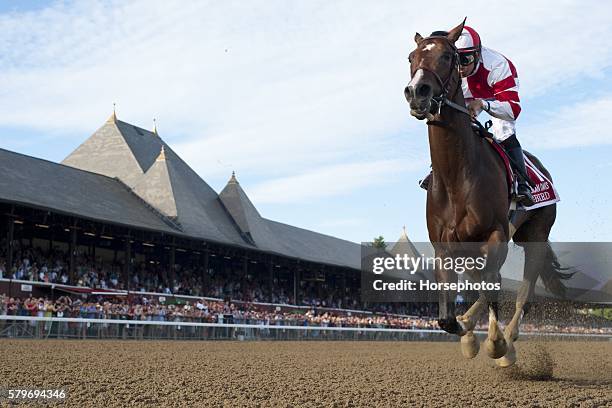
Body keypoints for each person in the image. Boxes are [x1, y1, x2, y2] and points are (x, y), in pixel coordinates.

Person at [420, 26, 535, 207]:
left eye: (467, 59)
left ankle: (522, 183)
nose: (462, 67)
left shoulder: (498, 65)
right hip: (467, 96)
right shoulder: (455, 69)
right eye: (459, 60)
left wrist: (483, 104)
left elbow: (512, 110)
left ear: (478, 53)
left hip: (496, 96)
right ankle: (437, 171)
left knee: (503, 130)